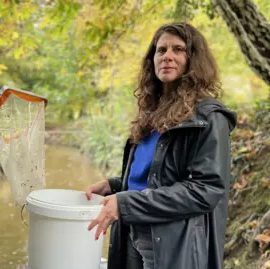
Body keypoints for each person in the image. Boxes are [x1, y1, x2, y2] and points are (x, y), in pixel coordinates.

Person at [85, 22, 237, 269]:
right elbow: (156, 175)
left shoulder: (209, 117)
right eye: (161, 49)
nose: (167, 56)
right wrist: (115, 185)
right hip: (133, 231)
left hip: (172, 242)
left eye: (178, 49)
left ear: (194, 60)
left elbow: (204, 190)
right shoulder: (152, 112)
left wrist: (126, 203)